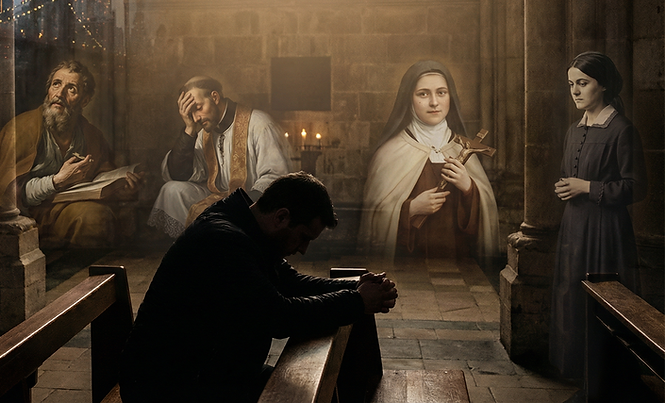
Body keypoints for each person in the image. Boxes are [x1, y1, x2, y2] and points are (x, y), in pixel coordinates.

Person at [120, 172, 397, 403]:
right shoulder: (224, 239)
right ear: (281, 217)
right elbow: (278, 316)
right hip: (167, 387)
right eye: (303, 237)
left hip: (211, 372)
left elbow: (291, 283)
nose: (302, 249)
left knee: (312, 387)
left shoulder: (247, 229)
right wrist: (356, 302)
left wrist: (353, 285)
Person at [549, 52, 646, 381]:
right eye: (571, 84)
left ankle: (603, 379)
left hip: (605, 231)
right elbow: (569, 175)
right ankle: (576, 372)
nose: (575, 91)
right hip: (574, 227)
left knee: (602, 302)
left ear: (602, 85)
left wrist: (587, 187)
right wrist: (566, 187)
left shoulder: (621, 130)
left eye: (583, 83)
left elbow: (635, 187)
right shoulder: (574, 130)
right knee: (570, 295)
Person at [0, 60, 143, 247]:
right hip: (31, 212)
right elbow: (7, 193)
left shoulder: (91, 134)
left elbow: (100, 176)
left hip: (68, 208)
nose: (59, 94)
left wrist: (122, 188)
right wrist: (57, 181)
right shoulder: (21, 130)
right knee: (93, 220)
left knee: (98, 219)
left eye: (71, 89)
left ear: (85, 100)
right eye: (56, 84)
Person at [357, 60, 499, 260]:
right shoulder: (389, 153)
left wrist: (469, 189)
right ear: (409, 99)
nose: (434, 102)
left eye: (441, 92)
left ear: (450, 96)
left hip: (459, 269)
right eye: (423, 94)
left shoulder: (463, 150)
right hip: (408, 268)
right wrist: (411, 209)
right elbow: (372, 220)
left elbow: (487, 216)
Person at [148, 76, 291, 238]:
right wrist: (189, 130)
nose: (196, 118)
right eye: (191, 113)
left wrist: (238, 204)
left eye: (198, 107)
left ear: (215, 97)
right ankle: (196, 249)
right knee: (172, 189)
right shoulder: (203, 132)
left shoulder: (259, 124)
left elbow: (275, 177)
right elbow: (180, 174)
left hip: (250, 203)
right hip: (218, 199)